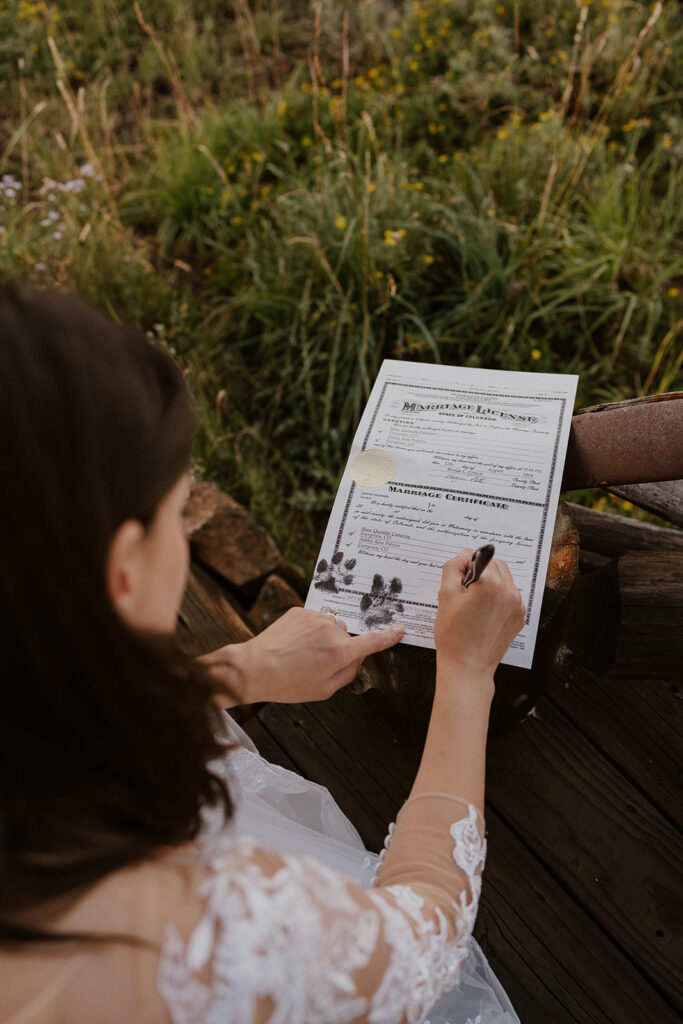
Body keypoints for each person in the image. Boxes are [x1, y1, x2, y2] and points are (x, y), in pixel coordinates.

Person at [0, 285, 525, 1023]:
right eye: (173, 518)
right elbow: (420, 945)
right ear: (124, 570)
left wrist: (235, 671)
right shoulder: (201, 937)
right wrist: (467, 675)